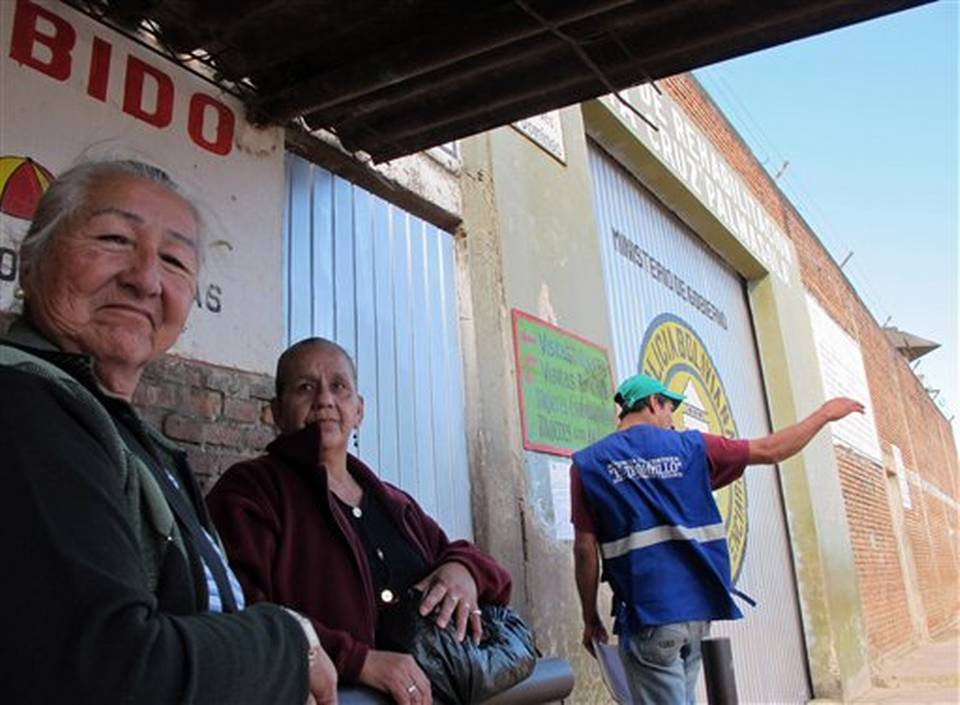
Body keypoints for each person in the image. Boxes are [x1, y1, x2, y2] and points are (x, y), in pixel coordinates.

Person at [0, 159, 336, 705]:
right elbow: (105, 672)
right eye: (113, 238)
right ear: (32, 260)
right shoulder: (23, 406)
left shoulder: (130, 438)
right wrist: (288, 640)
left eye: (175, 260)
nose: (146, 279)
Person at [207, 337, 513, 705]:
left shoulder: (394, 503)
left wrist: (464, 570)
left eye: (339, 387)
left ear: (359, 410)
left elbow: (480, 564)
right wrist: (358, 661)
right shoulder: (251, 491)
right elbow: (238, 607)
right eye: (305, 387)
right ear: (276, 411)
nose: (324, 400)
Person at [571, 372, 863, 705]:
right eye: (670, 410)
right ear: (653, 403)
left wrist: (590, 618)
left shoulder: (588, 464)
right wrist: (824, 414)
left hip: (649, 618)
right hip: (697, 612)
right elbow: (771, 450)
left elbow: (584, 550)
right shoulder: (692, 447)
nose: (672, 421)